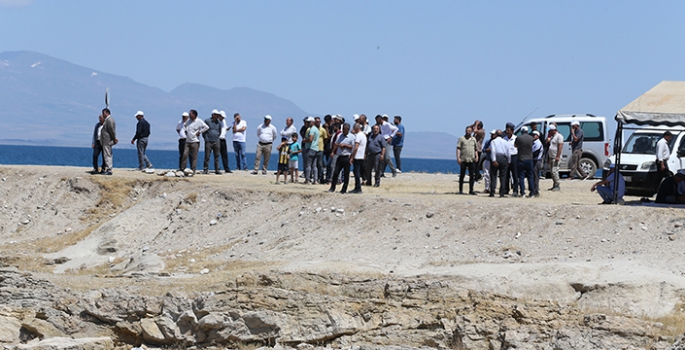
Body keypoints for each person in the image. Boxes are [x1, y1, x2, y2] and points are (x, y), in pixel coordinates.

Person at [328, 123, 355, 193]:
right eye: (343, 129)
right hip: (340, 156)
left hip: (347, 156)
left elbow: (353, 147)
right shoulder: (340, 136)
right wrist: (333, 152)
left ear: (348, 129)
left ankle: (344, 189)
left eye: (345, 129)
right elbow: (335, 144)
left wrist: (345, 145)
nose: (343, 131)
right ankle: (332, 187)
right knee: (335, 172)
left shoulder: (352, 137)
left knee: (346, 174)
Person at [181, 109, 209, 174]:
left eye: (191, 114)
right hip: (188, 141)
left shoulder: (199, 121)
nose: (189, 115)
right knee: (185, 155)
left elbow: (206, 127)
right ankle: (183, 168)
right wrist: (185, 131)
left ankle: (193, 170)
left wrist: (200, 132)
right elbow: (184, 125)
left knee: (194, 156)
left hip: (195, 141)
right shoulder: (188, 121)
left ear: (194, 115)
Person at [456, 126, 478, 195]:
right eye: (467, 130)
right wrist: (458, 158)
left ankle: (471, 190)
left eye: (469, 131)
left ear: (471, 131)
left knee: (472, 175)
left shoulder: (474, 139)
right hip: (463, 159)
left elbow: (475, 149)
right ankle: (460, 190)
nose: (468, 132)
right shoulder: (461, 139)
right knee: (462, 175)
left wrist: (476, 156)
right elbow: (458, 148)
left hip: (471, 160)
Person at [489, 130, 510, 197]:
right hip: (503, 158)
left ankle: (492, 192)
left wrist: (493, 160)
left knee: (493, 175)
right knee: (503, 176)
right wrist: (509, 161)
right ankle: (502, 193)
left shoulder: (493, 141)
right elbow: (508, 152)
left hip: (496, 157)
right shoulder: (505, 142)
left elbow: (493, 151)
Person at [515, 126, 535, 197]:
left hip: (521, 158)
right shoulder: (531, 138)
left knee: (521, 177)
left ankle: (522, 192)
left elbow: (515, 145)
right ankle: (532, 192)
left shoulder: (519, 138)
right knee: (530, 176)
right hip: (529, 159)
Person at [203, 110, 223, 174]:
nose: (217, 116)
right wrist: (206, 138)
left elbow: (219, 131)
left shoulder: (219, 123)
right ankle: (205, 169)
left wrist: (217, 137)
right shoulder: (207, 121)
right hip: (208, 141)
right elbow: (204, 130)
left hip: (216, 141)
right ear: (213, 115)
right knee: (207, 156)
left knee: (217, 156)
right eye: (216, 114)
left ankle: (217, 169)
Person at [100, 108, 118, 175]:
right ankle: (107, 168)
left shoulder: (109, 120)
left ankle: (109, 169)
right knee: (107, 154)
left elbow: (111, 130)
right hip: (106, 140)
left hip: (107, 140)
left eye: (103, 113)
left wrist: (114, 138)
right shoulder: (108, 120)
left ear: (107, 113)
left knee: (107, 155)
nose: (103, 115)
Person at [350, 123, 367, 194]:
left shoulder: (358, 136)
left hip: (357, 156)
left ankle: (358, 188)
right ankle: (357, 187)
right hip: (361, 156)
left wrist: (352, 156)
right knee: (357, 171)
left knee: (356, 172)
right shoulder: (363, 135)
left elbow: (356, 147)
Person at [546, 124, 563, 191]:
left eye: (550, 131)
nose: (549, 132)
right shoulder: (552, 137)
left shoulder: (559, 136)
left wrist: (558, 156)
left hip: (556, 156)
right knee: (551, 172)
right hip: (551, 156)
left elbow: (560, 146)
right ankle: (554, 184)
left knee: (554, 171)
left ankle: (557, 184)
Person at [304, 116, 320, 184]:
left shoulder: (312, 129)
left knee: (308, 164)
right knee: (314, 165)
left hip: (310, 148)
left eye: (309, 122)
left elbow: (310, 139)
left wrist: (305, 141)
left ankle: (307, 179)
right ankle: (315, 180)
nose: (307, 123)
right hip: (315, 148)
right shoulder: (316, 129)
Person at [503, 122, 518, 196]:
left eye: (508, 130)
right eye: (506, 130)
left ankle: (515, 190)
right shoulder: (504, 139)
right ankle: (506, 189)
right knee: (506, 174)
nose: (507, 132)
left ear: (512, 131)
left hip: (514, 156)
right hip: (506, 157)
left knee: (515, 174)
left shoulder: (515, 138)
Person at [315, 117, 328, 184]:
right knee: (314, 164)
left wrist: (322, 144)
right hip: (313, 148)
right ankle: (315, 178)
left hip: (320, 149)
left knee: (320, 164)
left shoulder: (322, 130)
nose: (318, 123)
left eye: (319, 121)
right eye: (317, 121)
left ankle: (321, 178)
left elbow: (326, 138)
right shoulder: (312, 129)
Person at [531, 130, 543, 197]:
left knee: (535, 176)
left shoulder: (538, 143)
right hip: (534, 160)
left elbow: (535, 153)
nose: (533, 136)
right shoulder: (534, 142)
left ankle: (536, 191)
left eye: (534, 135)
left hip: (536, 161)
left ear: (538, 136)